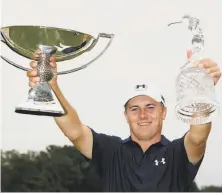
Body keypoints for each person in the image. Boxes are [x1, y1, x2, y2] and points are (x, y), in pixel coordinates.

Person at [27, 50, 221, 192]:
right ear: (126, 115)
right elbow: (74, 131)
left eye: (150, 107)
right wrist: (50, 86)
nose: (143, 115)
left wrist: (202, 90)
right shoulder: (111, 150)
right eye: (134, 109)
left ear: (164, 112)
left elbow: (198, 136)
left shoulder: (178, 153)